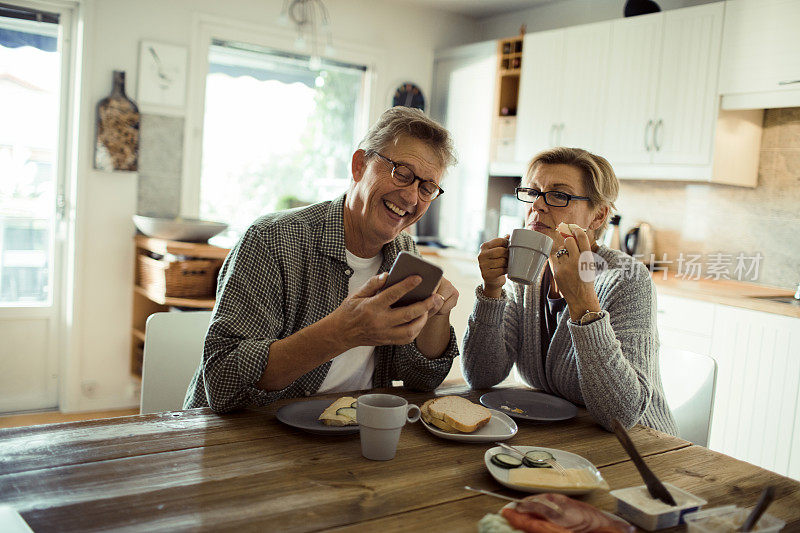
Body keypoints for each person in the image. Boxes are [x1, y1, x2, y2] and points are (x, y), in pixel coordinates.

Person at [184, 107, 460, 412]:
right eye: (402, 174)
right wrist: (342, 333)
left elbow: (421, 380)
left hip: (346, 436)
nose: (411, 198)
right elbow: (223, 383)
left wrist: (438, 314)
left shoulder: (404, 255)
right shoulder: (271, 239)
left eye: (427, 188)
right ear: (359, 166)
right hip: (246, 436)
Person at [462, 147, 677, 434]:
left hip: (643, 446)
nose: (537, 206)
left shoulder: (626, 279)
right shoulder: (528, 269)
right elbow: (481, 376)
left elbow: (621, 415)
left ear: (598, 216)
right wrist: (491, 291)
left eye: (559, 195)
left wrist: (582, 302)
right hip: (565, 438)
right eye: (533, 192)